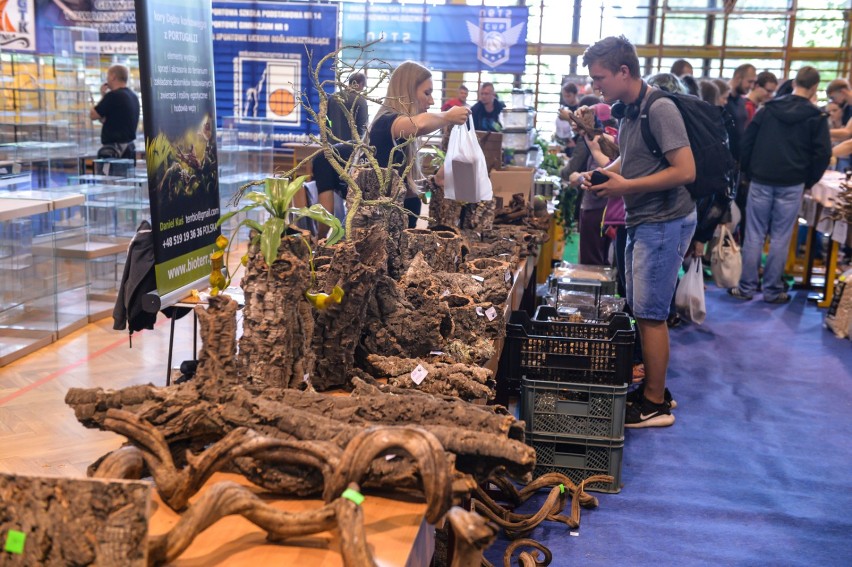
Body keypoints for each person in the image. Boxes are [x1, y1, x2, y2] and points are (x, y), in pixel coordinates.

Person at [581, 36, 696, 428]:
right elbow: (629, 161)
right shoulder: (631, 111)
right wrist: (599, 175)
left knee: (650, 314)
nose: (596, 86)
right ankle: (655, 389)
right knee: (641, 307)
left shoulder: (658, 108)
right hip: (643, 220)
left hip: (664, 222)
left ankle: (655, 403)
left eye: (600, 78)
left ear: (624, 72)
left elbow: (685, 171)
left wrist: (623, 187)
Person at [730, 66, 832, 304]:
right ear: (815, 87)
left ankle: (746, 287)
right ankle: (772, 291)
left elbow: (748, 142)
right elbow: (823, 154)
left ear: (794, 82)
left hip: (761, 179)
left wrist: (748, 172)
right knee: (780, 237)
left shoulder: (768, 109)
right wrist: (809, 180)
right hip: (793, 182)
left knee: (754, 235)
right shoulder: (816, 117)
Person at [368, 61, 470, 227]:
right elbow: (420, 125)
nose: (431, 101)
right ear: (408, 92)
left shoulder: (406, 140)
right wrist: (448, 116)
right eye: (427, 93)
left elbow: (416, 194)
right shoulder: (385, 123)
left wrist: (436, 181)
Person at [90, 64, 139, 160]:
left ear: (113, 76)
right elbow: (105, 119)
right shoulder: (132, 96)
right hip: (128, 147)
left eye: (107, 76)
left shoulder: (113, 96)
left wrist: (102, 96)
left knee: (111, 175)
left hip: (114, 150)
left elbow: (93, 115)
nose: (107, 79)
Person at [327, 72, 368, 142]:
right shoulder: (360, 101)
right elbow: (362, 126)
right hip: (351, 146)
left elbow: (327, 120)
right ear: (361, 84)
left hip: (332, 144)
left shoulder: (333, 98)